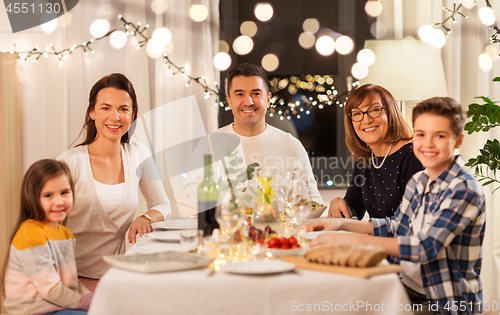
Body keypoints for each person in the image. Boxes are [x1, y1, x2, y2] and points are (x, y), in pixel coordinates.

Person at [308, 97, 485, 315]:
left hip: (444, 301)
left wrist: (350, 239)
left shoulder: (463, 188)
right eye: (420, 134)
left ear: (458, 141)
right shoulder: (420, 181)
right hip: (407, 286)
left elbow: (423, 248)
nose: (427, 144)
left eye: (439, 136)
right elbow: (395, 227)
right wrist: (340, 225)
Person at [57, 73, 171, 289]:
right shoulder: (70, 162)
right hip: (70, 280)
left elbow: (163, 205)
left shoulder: (138, 154)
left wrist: (145, 216)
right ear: (91, 112)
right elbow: (44, 225)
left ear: (133, 114)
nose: (115, 117)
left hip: (116, 278)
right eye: (106, 108)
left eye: (123, 109)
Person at [216, 63, 323, 204]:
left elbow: (312, 202)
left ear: (267, 99)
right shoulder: (210, 145)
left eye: (256, 93)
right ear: (229, 101)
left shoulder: (291, 145)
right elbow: (192, 206)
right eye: (240, 94)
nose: (248, 101)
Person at [1, 159, 93, 315]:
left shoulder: (65, 235)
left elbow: (71, 282)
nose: (59, 202)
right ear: (33, 198)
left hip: (56, 305)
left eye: (64, 192)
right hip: (34, 309)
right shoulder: (31, 234)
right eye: (48, 195)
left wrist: (93, 298)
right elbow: (51, 290)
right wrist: (88, 303)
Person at [328, 84, 423, 219]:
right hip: (373, 239)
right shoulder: (364, 158)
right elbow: (354, 206)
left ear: (390, 113)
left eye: (374, 110)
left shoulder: (413, 157)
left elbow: (411, 222)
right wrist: (339, 202)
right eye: (357, 113)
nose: (366, 120)